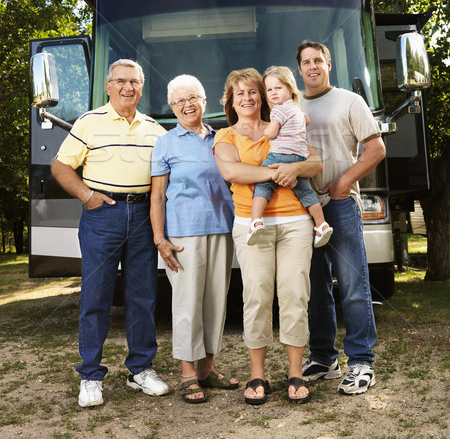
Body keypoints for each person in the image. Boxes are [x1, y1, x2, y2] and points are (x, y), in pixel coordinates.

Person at [51, 59, 169, 408]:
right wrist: (87, 196)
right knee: (96, 296)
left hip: (144, 215)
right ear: (108, 86)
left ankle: (140, 370)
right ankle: (90, 375)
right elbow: (60, 166)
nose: (127, 87)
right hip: (103, 215)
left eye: (134, 81)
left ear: (142, 86)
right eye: (120, 81)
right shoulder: (89, 122)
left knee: (143, 296)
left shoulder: (154, 129)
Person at [213, 68, 323, 405]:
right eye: (239, 94)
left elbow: (315, 163)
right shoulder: (226, 136)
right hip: (251, 224)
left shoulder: (285, 125)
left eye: (253, 92)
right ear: (230, 101)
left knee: (294, 294)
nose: (247, 99)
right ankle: (257, 374)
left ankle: (295, 373)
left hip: (295, 223)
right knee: (257, 296)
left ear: (264, 96)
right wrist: (282, 171)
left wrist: (296, 167)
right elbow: (233, 172)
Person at [296, 41, 386, 395]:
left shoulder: (350, 101)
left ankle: (362, 361)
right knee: (316, 288)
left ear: (328, 63)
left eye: (318, 60)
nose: (312, 66)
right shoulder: (291, 104)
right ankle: (323, 357)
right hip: (303, 208)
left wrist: (344, 181)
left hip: (340, 204)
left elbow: (376, 149)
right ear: (299, 69)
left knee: (352, 286)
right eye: (306, 62)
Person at [150, 75, 238, 404]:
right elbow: (157, 195)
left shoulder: (222, 138)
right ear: (172, 108)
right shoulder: (166, 142)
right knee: (187, 304)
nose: (187, 105)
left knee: (216, 301)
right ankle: (188, 375)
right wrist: (160, 238)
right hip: (183, 234)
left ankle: (206, 370)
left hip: (221, 229)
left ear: (204, 100)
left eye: (193, 98)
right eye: (179, 101)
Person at [247, 65, 333, 248]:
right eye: (269, 90)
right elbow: (306, 121)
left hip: (280, 155)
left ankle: (255, 221)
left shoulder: (278, 110)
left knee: (262, 183)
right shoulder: (297, 109)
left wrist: (259, 133)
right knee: (306, 192)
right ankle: (321, 225)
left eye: (278, 88)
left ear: (290, 88)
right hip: (299, 156)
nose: (273, 93)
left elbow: (271, 133)